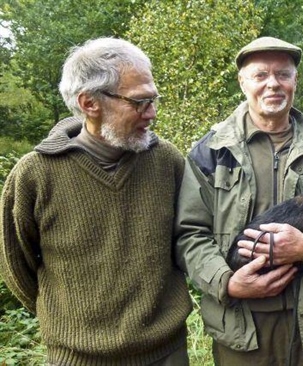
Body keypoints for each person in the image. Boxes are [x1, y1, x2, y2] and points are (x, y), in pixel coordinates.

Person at [174, 36, 303, 365]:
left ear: (296, 80)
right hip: (241, 328)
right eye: (260, 75)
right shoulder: (210, 152)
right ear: (242, 82)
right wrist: (228, 282)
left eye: (283, 74)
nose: (272, 84)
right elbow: (190, 234)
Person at [0, 37, 193, 365]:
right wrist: (73, 323)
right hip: (77, 359)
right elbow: (16, 266)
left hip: (166, 354)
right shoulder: (34, 175)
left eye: (153, 100)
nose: (152, 113)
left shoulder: (167, 161)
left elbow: (189, 241)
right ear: (89, 103)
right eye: (140, 102)